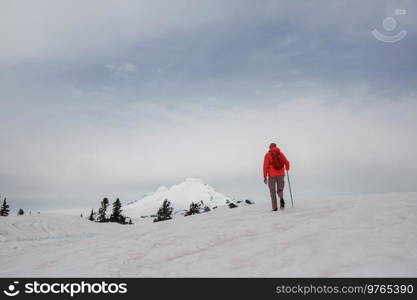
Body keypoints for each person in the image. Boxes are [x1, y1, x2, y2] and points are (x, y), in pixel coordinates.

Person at [263, 143, 290, 211]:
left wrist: (265, 177)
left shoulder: (267, 155)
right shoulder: (280, 154)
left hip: (271, 175)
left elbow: (265, 167)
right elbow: (287, 162)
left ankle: (274, 208)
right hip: (281, 174)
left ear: (270, 147)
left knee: (272, 192)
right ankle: (281, 198)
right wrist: (287, 168)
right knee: (280, 189)